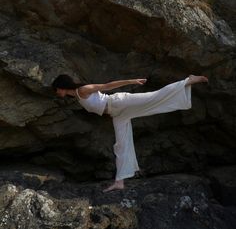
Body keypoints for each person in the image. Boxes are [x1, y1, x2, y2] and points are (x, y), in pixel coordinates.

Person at [52, 74, 208, 192]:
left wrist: (131, 82)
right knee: (121, 144)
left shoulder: (82, 90)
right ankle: (119, 182)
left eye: (56, 89)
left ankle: (188, 81)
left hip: (119, 102)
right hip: (117, 114)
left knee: (153, 97)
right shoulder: (77, 96)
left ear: (61, 87)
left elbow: (107, 86)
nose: (56, 93)